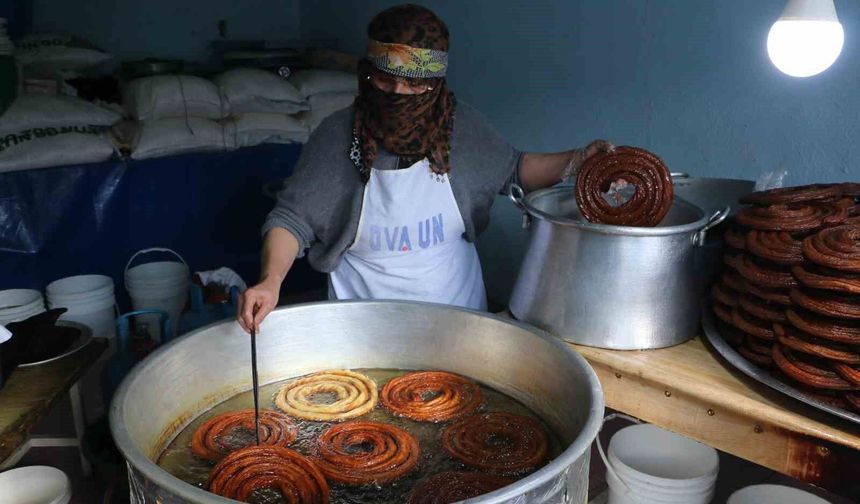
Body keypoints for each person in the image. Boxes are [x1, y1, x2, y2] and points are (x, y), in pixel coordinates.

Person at [238, 4, 611, 332]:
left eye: (414, 85)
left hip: (457, 317)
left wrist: (579, 161)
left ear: (435, 83)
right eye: (385, 80)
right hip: (363, 325)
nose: (398, 94)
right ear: (368, 74)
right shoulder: (337, 137)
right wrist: (271, 281)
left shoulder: (462, 129)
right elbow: (292, 220)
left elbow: (514, 169)